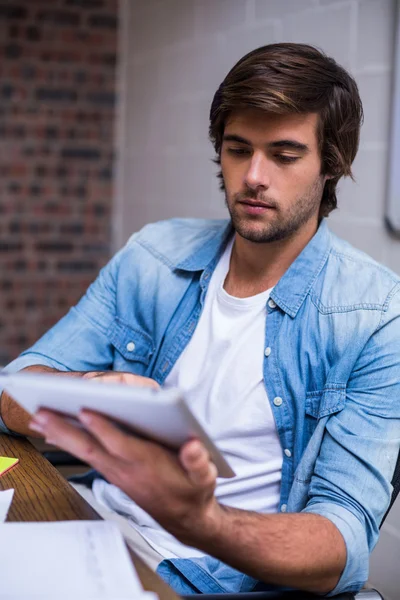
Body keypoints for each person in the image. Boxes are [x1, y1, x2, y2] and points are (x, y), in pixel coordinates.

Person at [1, 42, 399, 597]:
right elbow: (14, 390)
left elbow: (342, 543)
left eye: (284, 155)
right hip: (95, 524)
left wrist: (200, 520)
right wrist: (86, 389)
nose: (253, 176)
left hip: (208, 576)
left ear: (330, 163)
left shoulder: (377, 316)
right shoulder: (155, 256)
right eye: (238, 149)